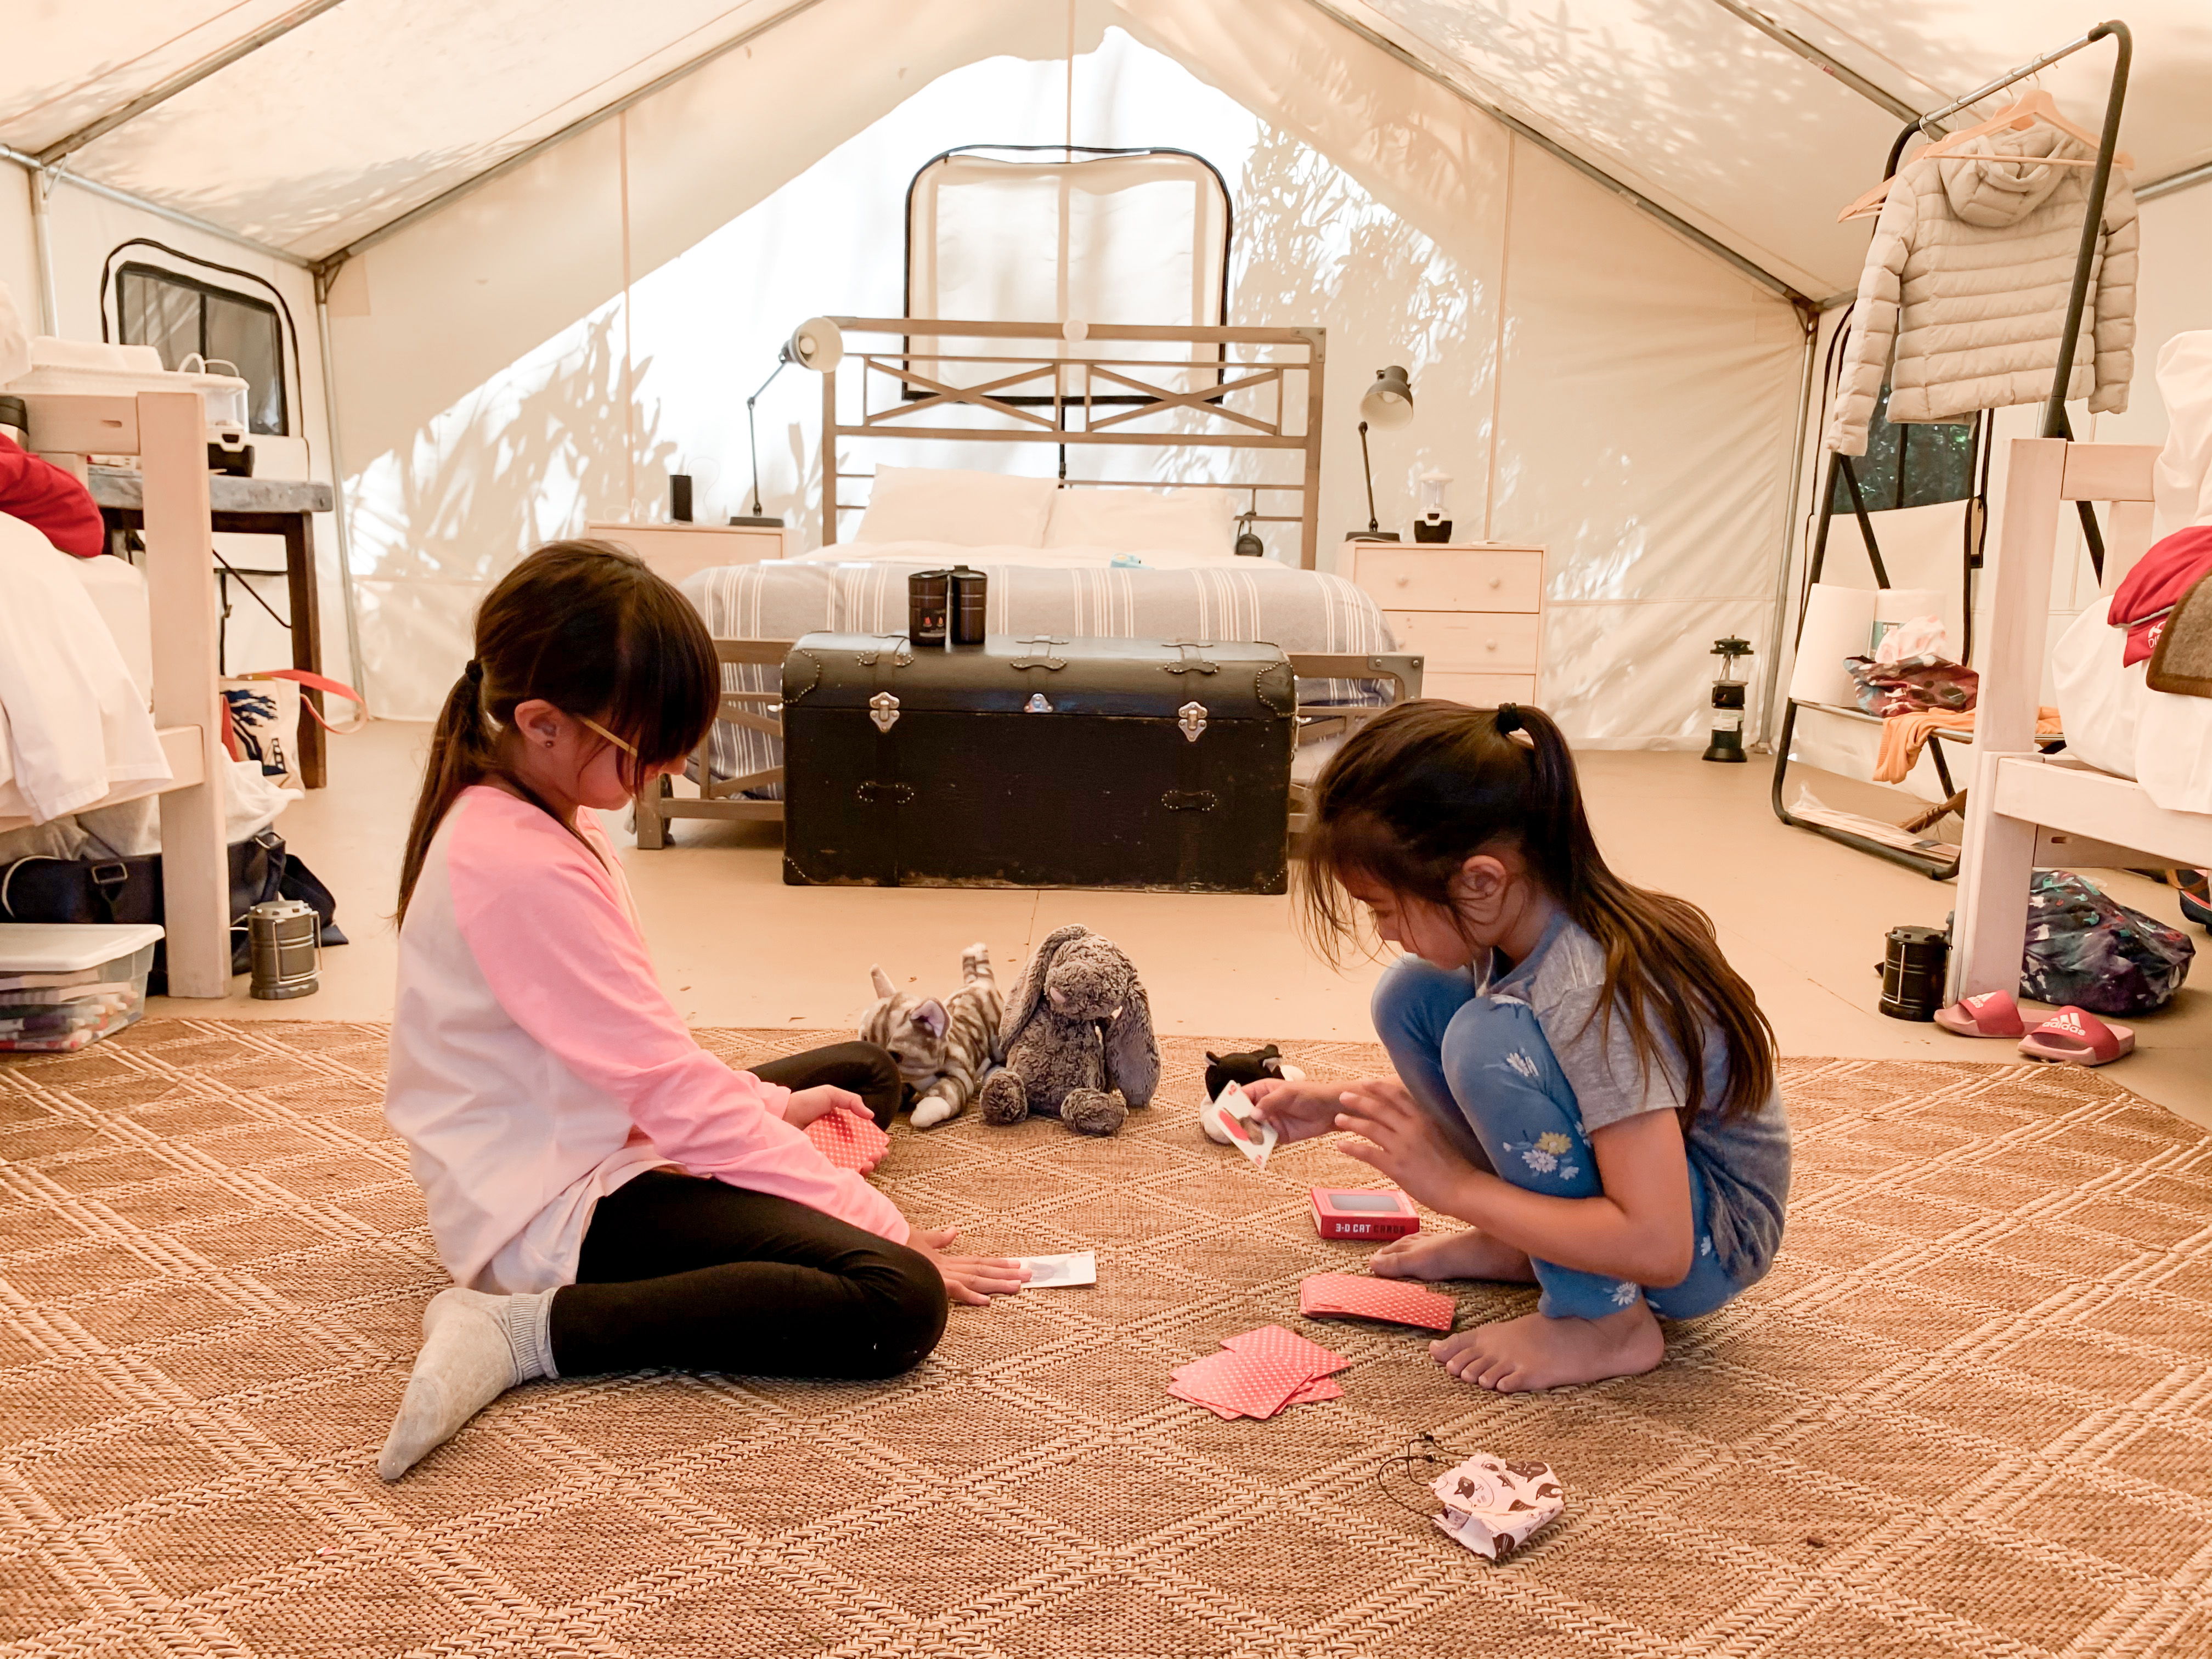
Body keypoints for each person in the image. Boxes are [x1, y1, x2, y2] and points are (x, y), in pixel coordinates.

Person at [376, 540, 1024, 1482]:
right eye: (644, 749)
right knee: (896, 1297)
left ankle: (781, 1165)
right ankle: (521, 1328)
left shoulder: (533, 802)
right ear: (542, 722)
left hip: (588, 1128)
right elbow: (666, 1088)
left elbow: (642, 1057)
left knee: (864, 1074)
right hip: (551, 1205)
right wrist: (876, 1220)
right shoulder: (514, 863)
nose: (668, 764)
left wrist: (773, 1108)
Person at [1247, 701, 1788, 1391]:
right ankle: (1528, 1244)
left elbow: (1660, 1243)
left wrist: (1456, 1187)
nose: (1381, 929)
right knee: (1413, 996)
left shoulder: (1589, 989)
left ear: (1481, 878)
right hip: (1658, 1192)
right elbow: (1556, 1088)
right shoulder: (1528, 922)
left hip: (1708, 1242)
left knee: (1485, 1041)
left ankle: (1605, 1323)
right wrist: (1338, 1104)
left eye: (1382, 907)